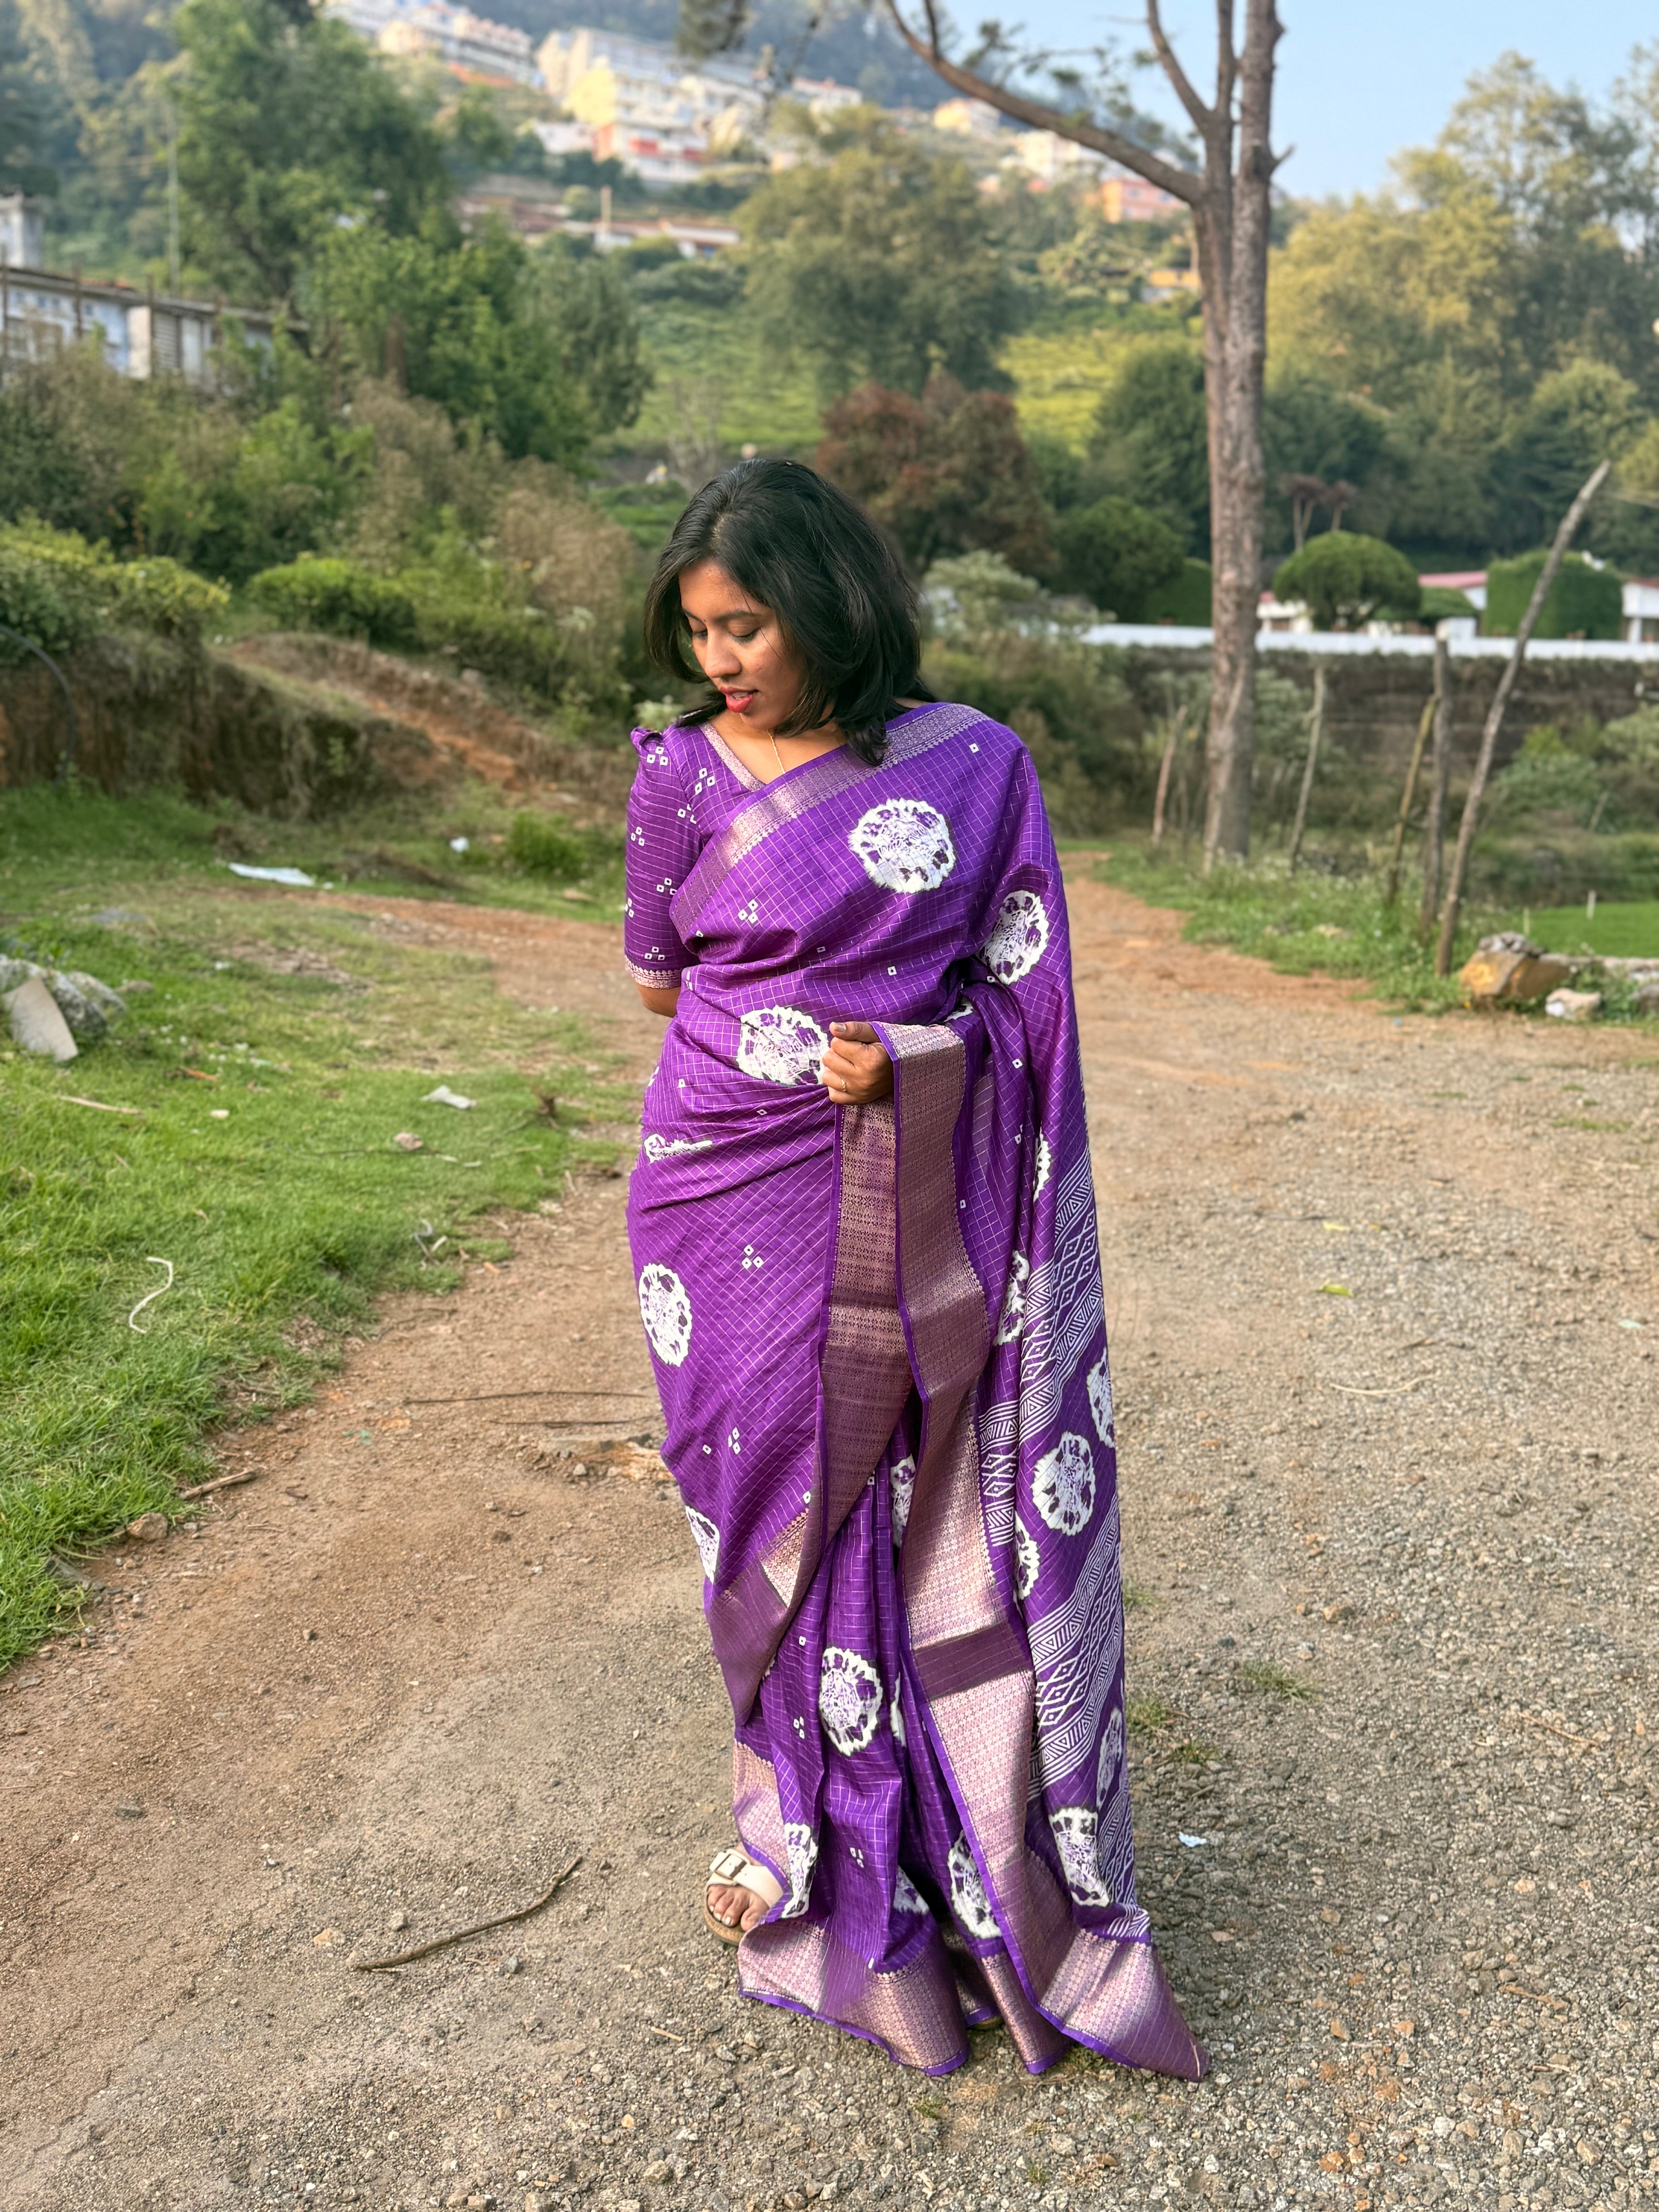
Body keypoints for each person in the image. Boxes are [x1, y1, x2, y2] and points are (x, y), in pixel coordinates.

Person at [622, 457, 1203, 2081]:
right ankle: (807, 1833)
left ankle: (949, 1860)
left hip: (907, 1177)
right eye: (701, 633)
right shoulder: (675, 773)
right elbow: (665, 984)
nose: (723, 659)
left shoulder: (974, 768)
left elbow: (1028, 1001)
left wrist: (915, 1057)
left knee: (907, 1499)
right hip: (713, 1194)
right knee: (767, 1510)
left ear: (830, 604)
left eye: (748, 625)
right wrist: (791, 1050)